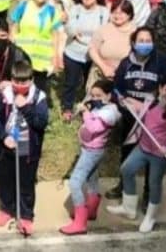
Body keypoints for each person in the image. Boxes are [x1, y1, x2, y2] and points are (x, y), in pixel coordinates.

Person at [106, 27, 166, 201]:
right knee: (127, 150)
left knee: (153, 154)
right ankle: (124, 185)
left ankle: (148, 193)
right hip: (131, 116)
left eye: (147, 41)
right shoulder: (126, 63)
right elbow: (116, 88)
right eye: (140, 41)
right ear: (133, 43)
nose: (144, 44)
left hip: (154, 116)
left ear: (153, 43)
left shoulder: (163, 62)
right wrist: (123, 100)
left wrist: (151, 105)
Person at [106, 83, 166, 233]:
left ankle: (150, 217)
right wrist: (125, 100)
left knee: (154, 184)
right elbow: (138, 106)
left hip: (159, 155)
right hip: (143, 147)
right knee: (126, 169)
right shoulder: (151, 102)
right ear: (161, 89)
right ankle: (129, 209)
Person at [0, 61, 49, 236]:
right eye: (17, 81)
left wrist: (25, 107)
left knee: (26, 183)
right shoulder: (4, 95)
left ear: (32, 80)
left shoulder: (39, 97)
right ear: (12, 79)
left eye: (25, 82)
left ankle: (25, 215)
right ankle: (6, 209)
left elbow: (41, 123)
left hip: (28, 148)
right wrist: (3, 136)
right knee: (6, 180)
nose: (20, 85)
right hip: (7, 145)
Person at [59, 79, 120, 235]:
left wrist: (85, 112)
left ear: (109, 95)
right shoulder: (101, 108)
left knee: (74, 182)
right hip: (92, 149)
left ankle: (80, 222)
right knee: (92, 179)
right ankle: (91, 209)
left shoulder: (108, 113)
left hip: (92, 151)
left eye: (98, 95)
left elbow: (93, 128)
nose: (94, 98)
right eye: (92, 95)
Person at [0, 19, 32, 180]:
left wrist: (11, 84)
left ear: (9, 35)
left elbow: (29, 78)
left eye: (3, 35)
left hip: (15, 101)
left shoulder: (19, 54)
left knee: (13, 135)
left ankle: (18, 169)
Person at [10, 0, 65, 102]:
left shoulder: (52, 11)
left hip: (42, 59)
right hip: (22, 55)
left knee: (39, 90)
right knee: (21, 86)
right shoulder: (23, 6)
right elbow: (13, 27)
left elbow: (55, 35)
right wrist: (12, 45)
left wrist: (56, 57)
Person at [63, 0, 109, 122]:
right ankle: (67, 108)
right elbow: (70, 28)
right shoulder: (75, 10)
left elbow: (105, 31)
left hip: (93, 54)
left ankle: (89, 106)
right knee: (71, 82)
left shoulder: (103, 12)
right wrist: (74, 32)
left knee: (91, 83)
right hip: (74, 52)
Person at [89, 0, 138, 81]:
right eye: (114, 12)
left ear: (129, 14)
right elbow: (92, 49)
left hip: (127, 76)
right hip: (100, 75)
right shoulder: (103, 29)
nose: (117, 16)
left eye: (121, 13)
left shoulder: (136, 32)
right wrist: (104, 67)